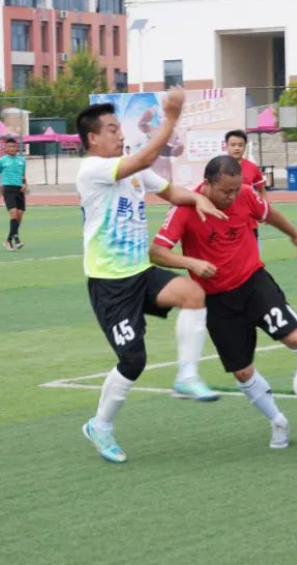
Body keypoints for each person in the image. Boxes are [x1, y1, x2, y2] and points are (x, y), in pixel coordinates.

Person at [151, 155, 297, 450]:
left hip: (253, 283)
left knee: (293, 337)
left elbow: (270, 214)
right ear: (207, 185)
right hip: (216, 300)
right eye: (225, 191)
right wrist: (191, 262)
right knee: (242, 371)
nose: (232, 197)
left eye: (235, 190)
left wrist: (295, 236)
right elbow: (157, 252)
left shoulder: (244, 195)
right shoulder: (184, 208)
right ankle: (278, 421)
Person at [75, 89, 226, 464]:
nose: (119, 135)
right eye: (112, 130)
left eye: (119, 128)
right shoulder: (92, 169)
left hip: (140, 273)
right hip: (110, 284)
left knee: (193, 294)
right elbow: (145, 157)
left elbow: (172, 192)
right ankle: (100, 426)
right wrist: (171, 118)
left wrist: (197, 198)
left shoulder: (132, 170)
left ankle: (187, 377)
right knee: (133, 361)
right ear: (93, 138)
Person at [0, 138, 28, 251]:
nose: (12, 148)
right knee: (13, 214)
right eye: (10, 146)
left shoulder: (22, 160)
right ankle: (16, 238)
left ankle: (8, 240)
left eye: (14, 146)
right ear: (6, 149)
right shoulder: (1, 161)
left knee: (19, 216)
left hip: (20, 190)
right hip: (8, 189)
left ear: (17, 147)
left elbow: (23, 175)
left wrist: (25, 184)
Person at [224, 129, 266, 193]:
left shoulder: (253, 167)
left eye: (240, 145)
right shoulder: (217, 166)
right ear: (227, 146)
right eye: (233, 145)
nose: (237, 148)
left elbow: (262, 191)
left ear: (245, 147)